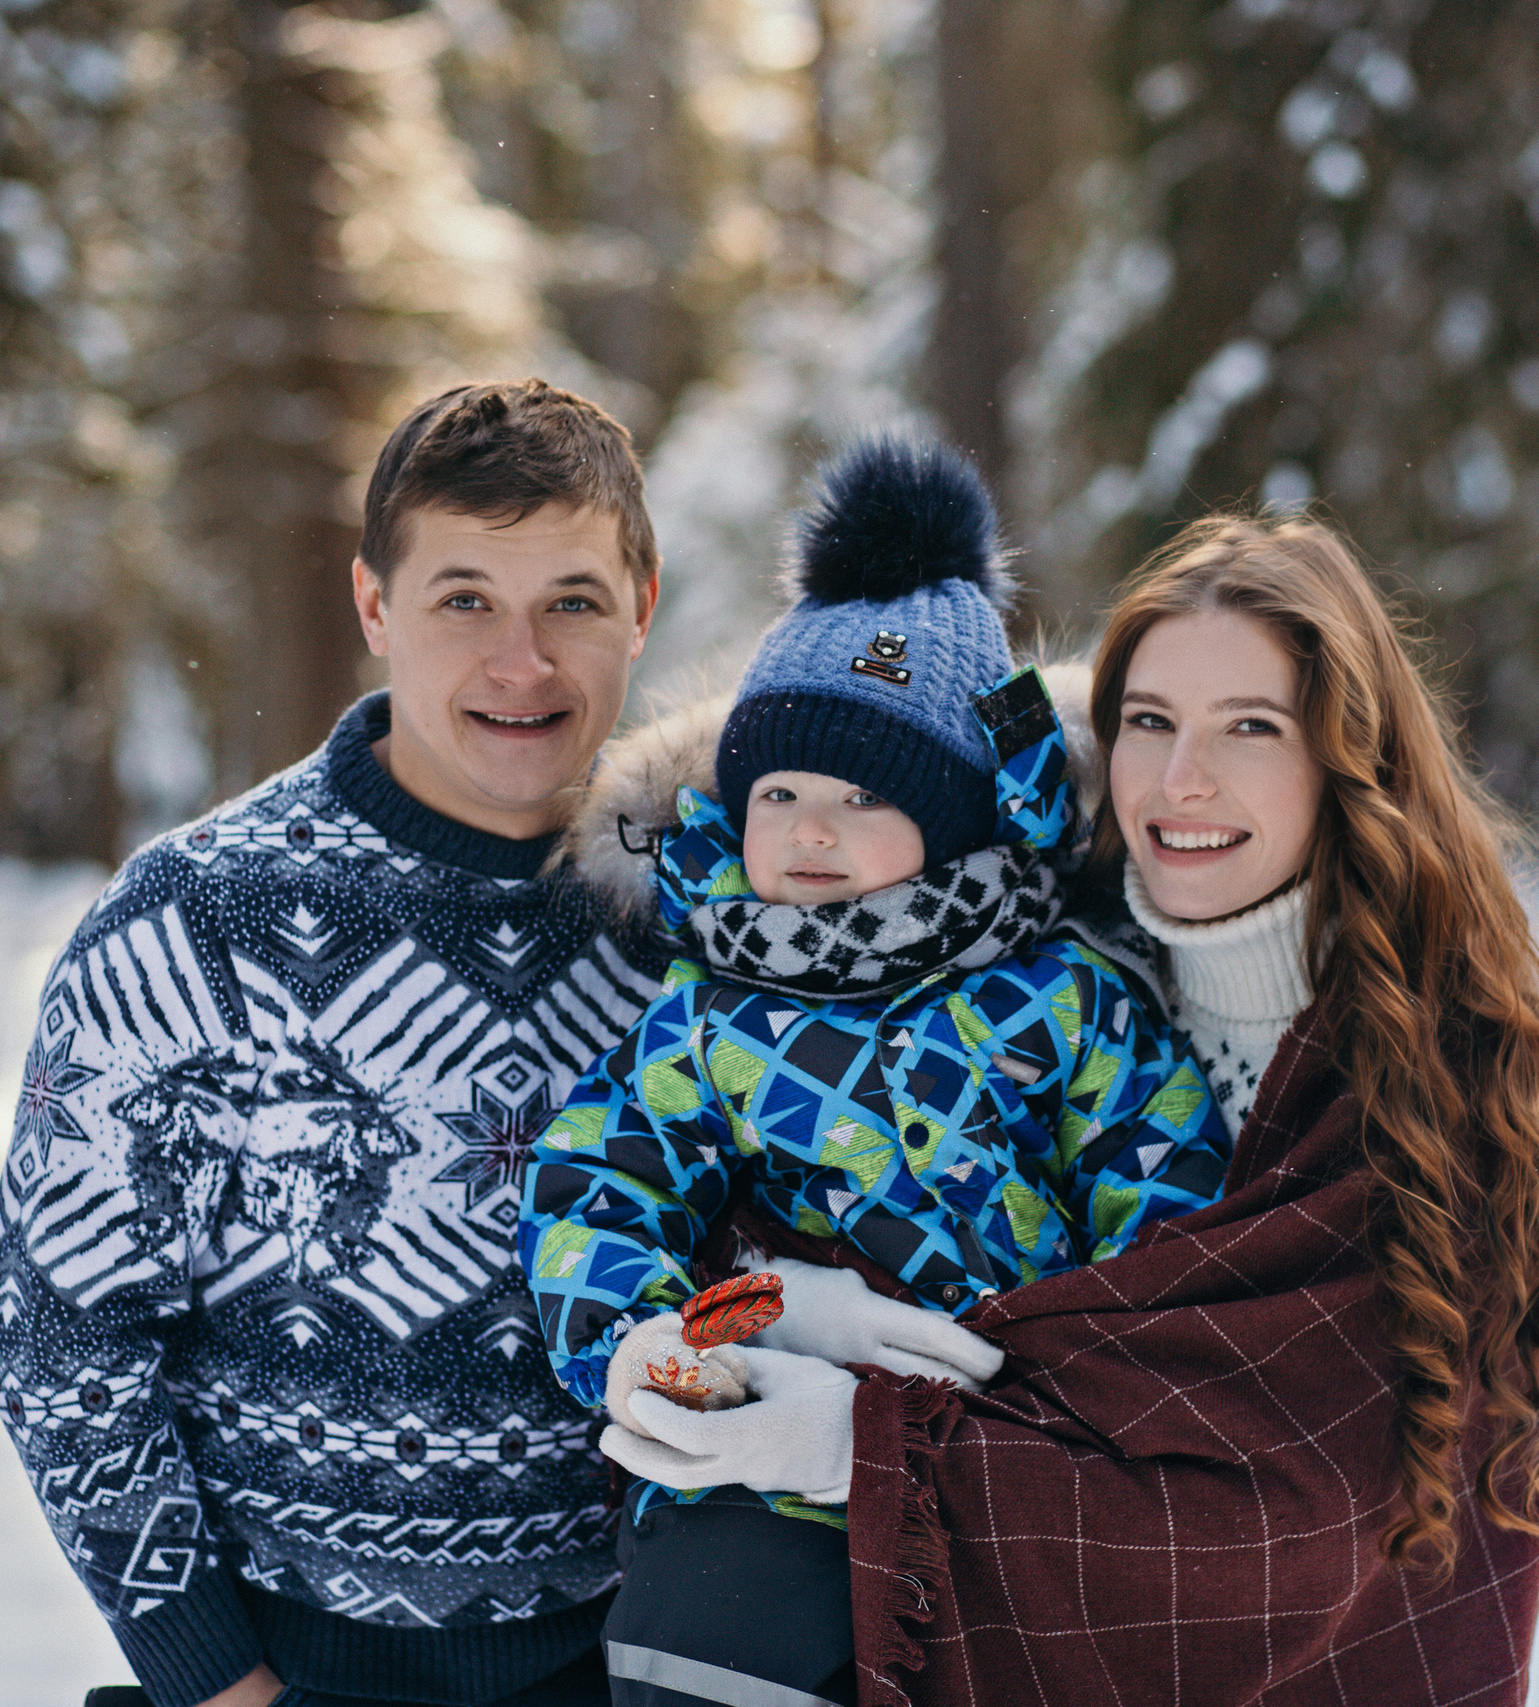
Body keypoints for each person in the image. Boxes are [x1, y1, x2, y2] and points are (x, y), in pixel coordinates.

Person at [645, 513, 1539, 1706]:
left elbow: (1309, 1525)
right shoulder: (1004, 981)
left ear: (1349, 756)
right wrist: (783, 1310)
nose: (1183, 781)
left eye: (1249, 728)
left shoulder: (1450, 1079)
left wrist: (859, 1448)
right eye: (1149, 723)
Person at [0, 378, 680, 1707]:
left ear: (642, 607)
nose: (519, 660)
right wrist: (217, 1676)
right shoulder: (198, 915)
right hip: (299, 1668)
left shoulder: (708, 911)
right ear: (374, 606)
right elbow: (53, 1331)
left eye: (572, 602)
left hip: (646, 1662)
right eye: (463, 597)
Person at [519, 439, 1233, 1707]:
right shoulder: (705, 1018)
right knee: (704, 1624)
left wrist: (1095, 1389)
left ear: (957, 816)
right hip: (773, 1430)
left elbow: (1160, 1198)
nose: (806, 828)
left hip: (1009, 1446)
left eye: (860, 797)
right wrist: (654, 1334)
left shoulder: (1060, 1000)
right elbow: (597, 1185)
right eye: (778, 789)